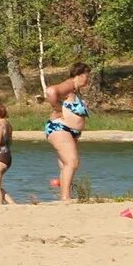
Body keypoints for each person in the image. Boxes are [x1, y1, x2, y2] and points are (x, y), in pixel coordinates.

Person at [42, 63, 92, 203]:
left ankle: (65, 196)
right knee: (72, 162)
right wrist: (57, 109)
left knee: (66, 165)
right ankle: (65, 197)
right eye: (87, 77)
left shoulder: (75, 91)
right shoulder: (69, 85)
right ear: (79, 75)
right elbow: (51, 91)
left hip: (69, 131)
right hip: (60, 128)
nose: (88, 80)